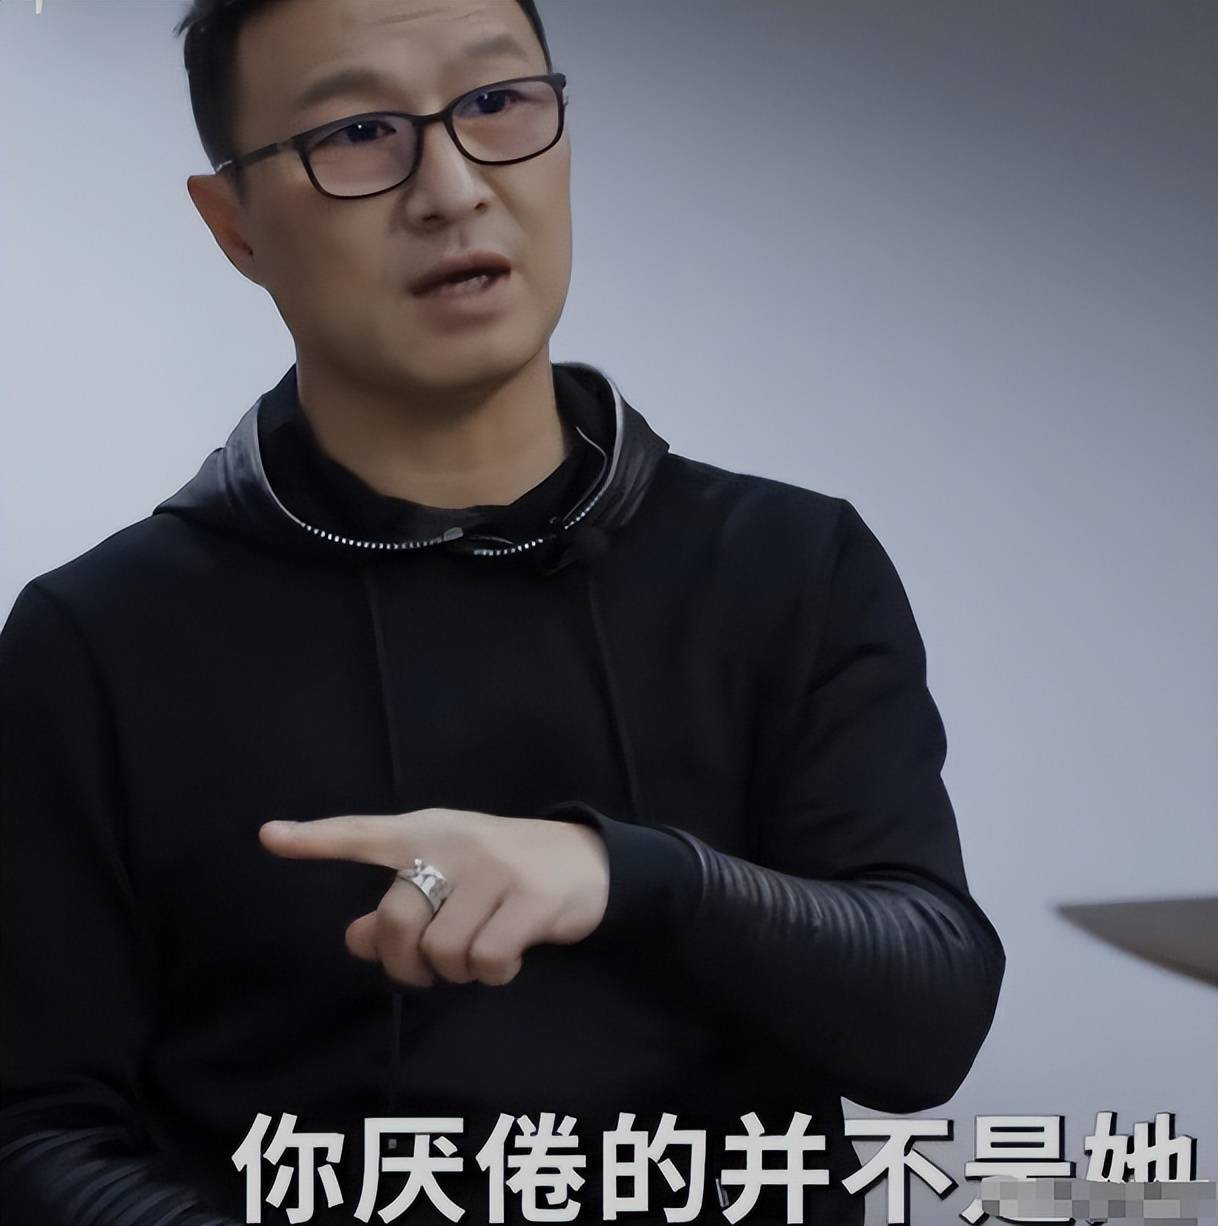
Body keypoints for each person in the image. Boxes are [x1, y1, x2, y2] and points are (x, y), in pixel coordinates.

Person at [0, 0, 1006, 1222]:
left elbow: (929, 1014)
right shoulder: (97, 640)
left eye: (495, 104)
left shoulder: (788, 563)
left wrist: (628, 875)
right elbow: (35, 1127)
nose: (453, 188)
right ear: (234, 225)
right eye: (357, 132)